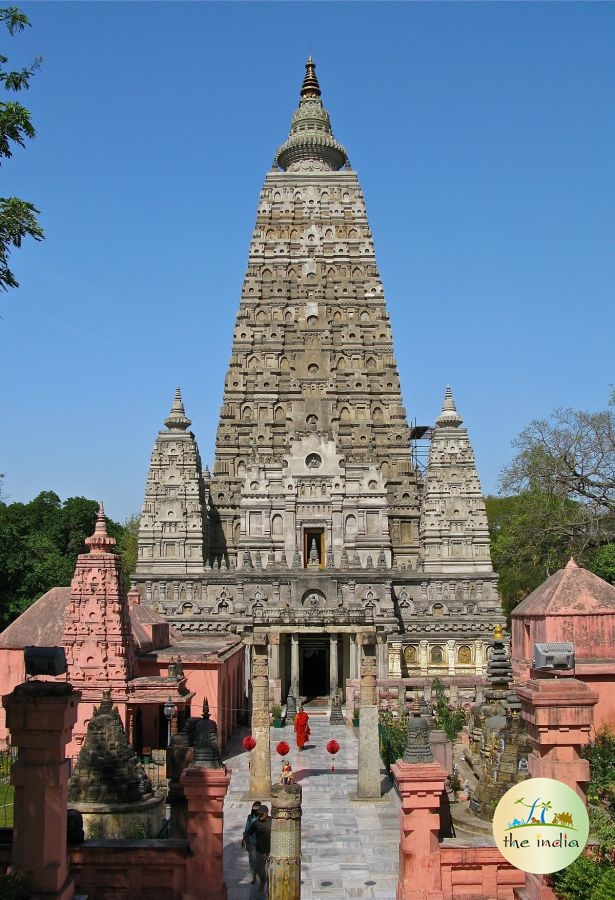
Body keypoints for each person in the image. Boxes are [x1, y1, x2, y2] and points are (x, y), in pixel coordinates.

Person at [247, 804, 271, 892]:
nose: (260, 816)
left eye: (262, 814)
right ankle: (263, 880)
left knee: (272, 870)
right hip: (260, 850)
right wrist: (248, 844)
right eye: (259, 814)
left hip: (272, 850)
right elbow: (248, 833)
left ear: (266, 813)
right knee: (260, 869)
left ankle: (270, 886)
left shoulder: (273, 822)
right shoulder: (255, 823)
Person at [241, 800, 261, 885]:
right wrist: (244, 839)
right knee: (252, 860)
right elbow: (247, 829)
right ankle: (254, 877)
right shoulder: (250, 817)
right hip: (252, 842)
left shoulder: (263, 818)